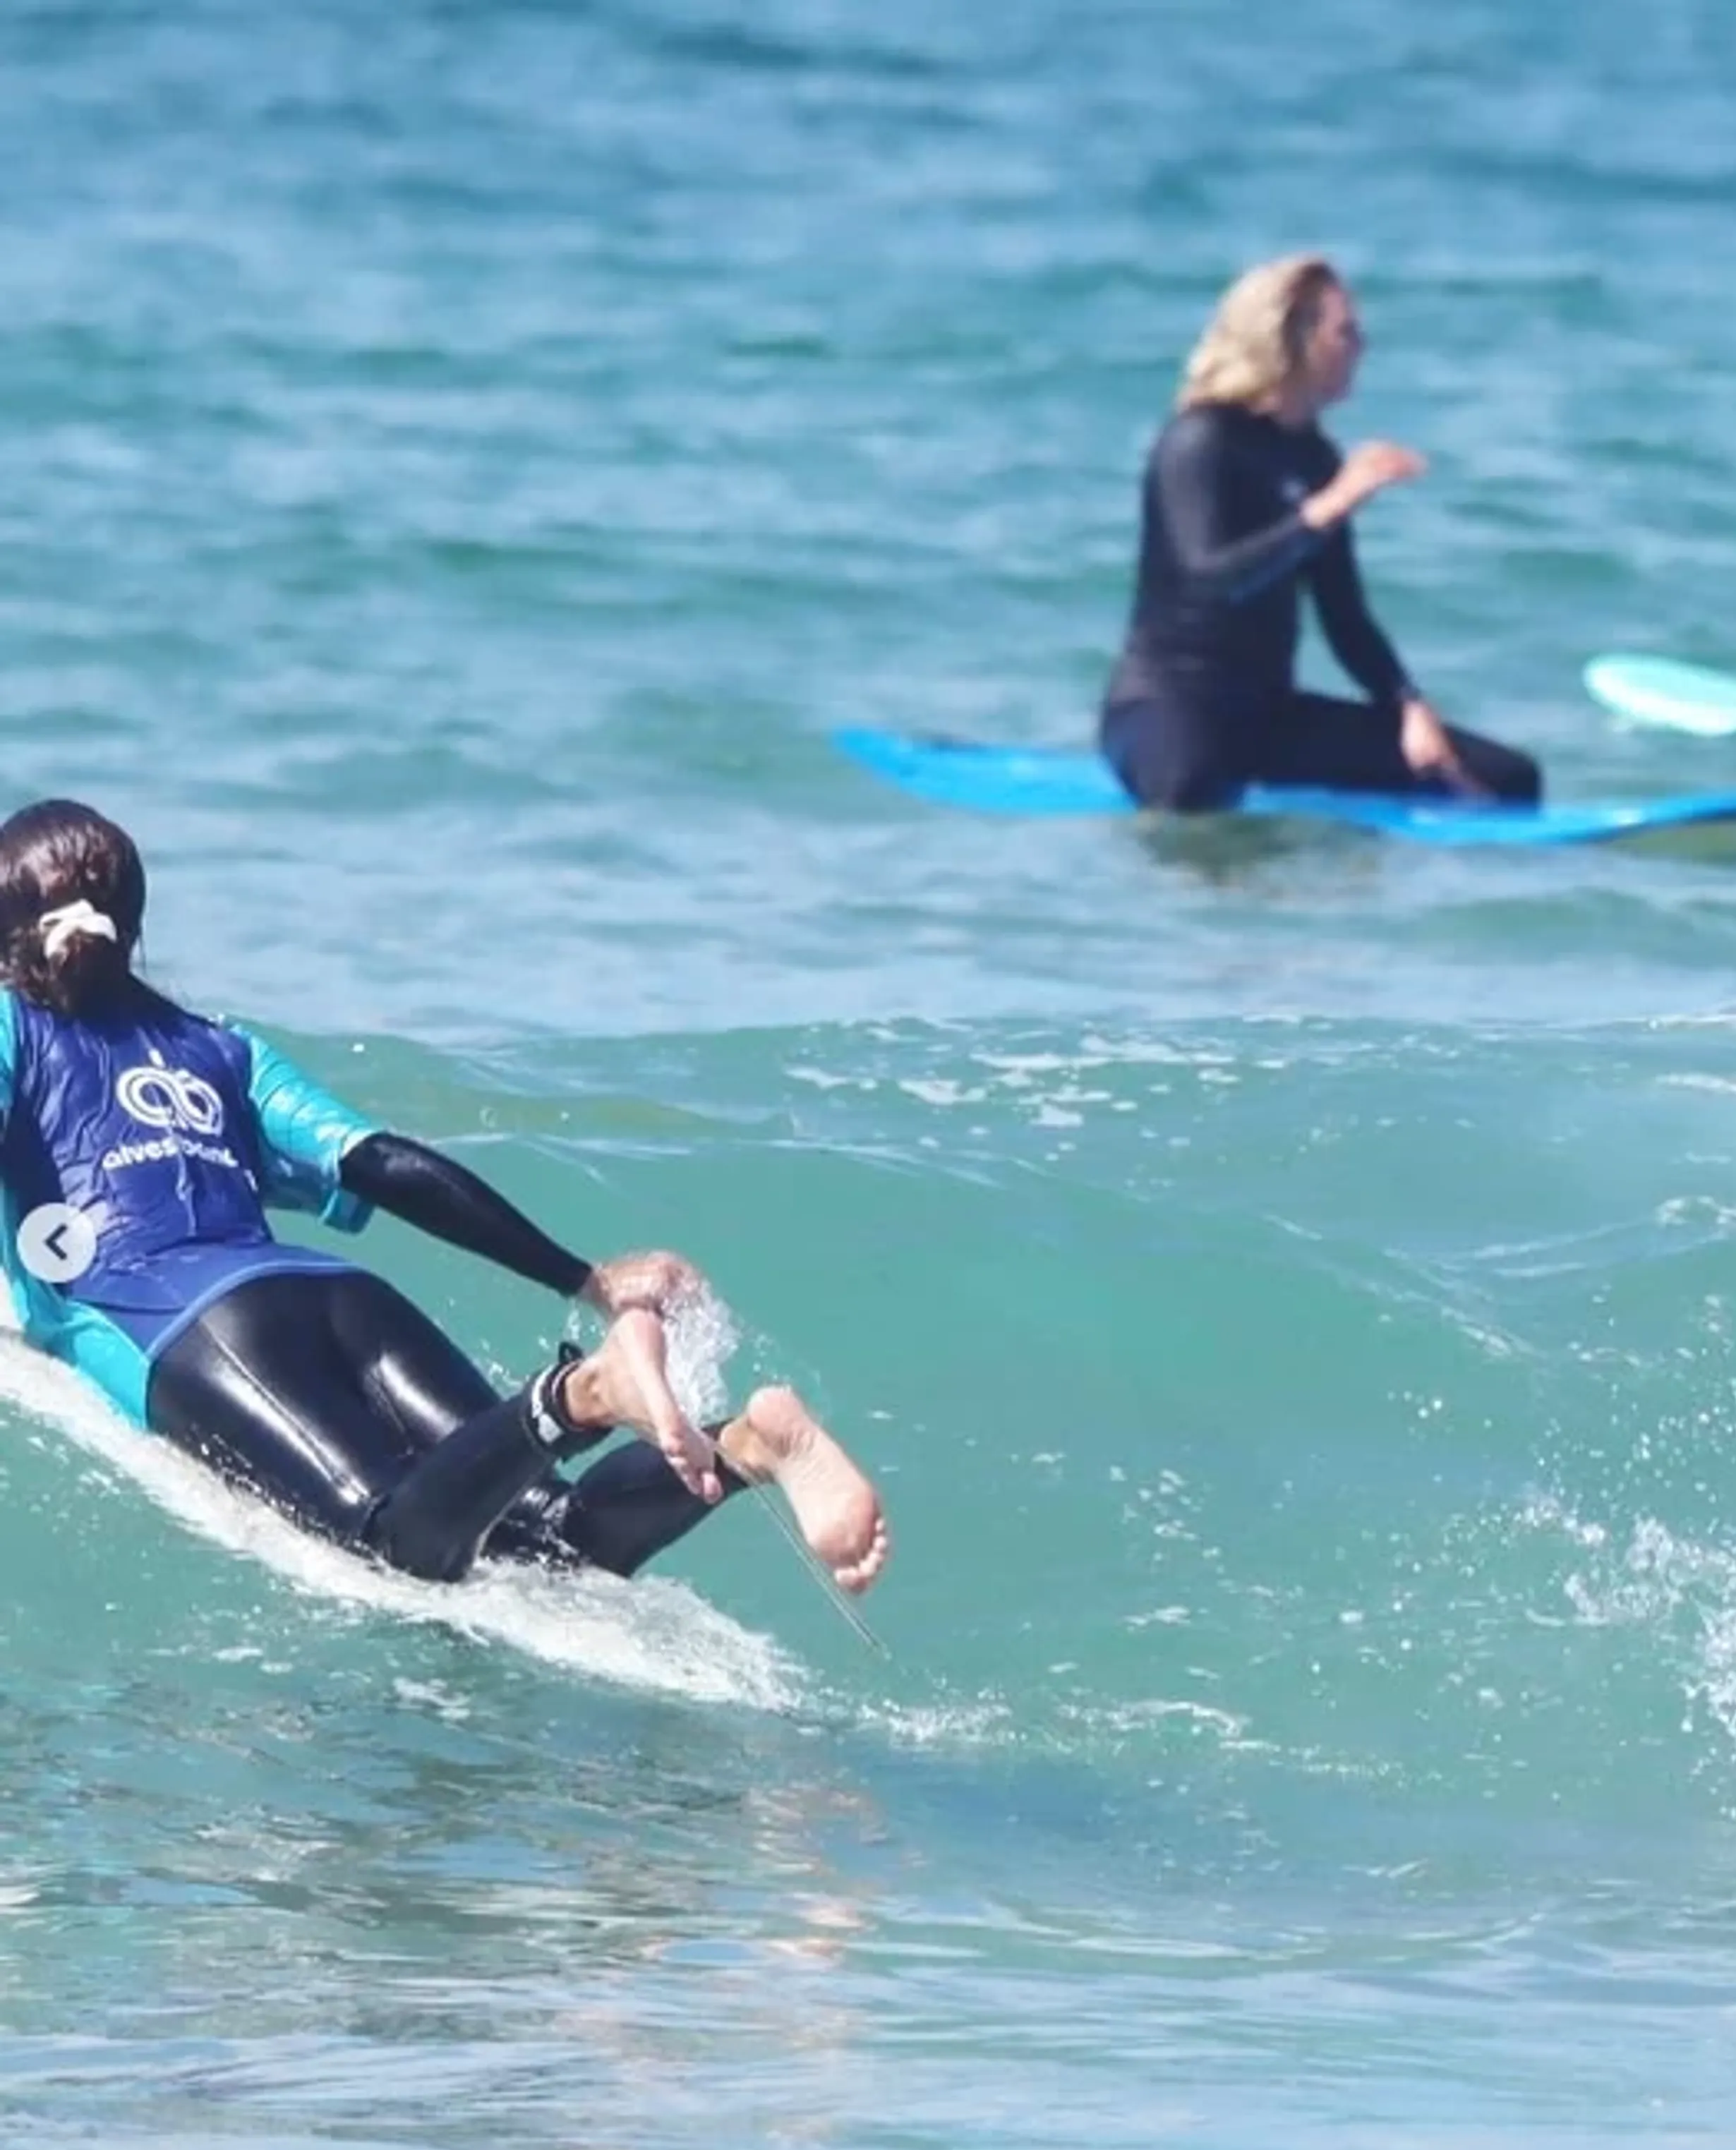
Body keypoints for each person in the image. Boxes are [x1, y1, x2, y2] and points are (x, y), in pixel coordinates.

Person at [0, 798, 888, 1595]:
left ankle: (584, 1394)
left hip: (183, 1321)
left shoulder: (11, 1023)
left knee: (389, 1544)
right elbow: (383, 1162)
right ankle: (747, 1443)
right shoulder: (225, 1048)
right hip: (337, 1293)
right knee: (554, 1537)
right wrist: (587, 1278)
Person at [1098, 252, 1543, 815]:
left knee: (1510, 778)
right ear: (1292, 340)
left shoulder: (1314, 456)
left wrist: (1408, 707)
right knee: (1193, 787)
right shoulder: (1199, 440)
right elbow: (1209, 578)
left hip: (1270, 716)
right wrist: (1330, 504)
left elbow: (1345, 616)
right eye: (1346, 331)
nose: (1362, 347)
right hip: (1165, 706)